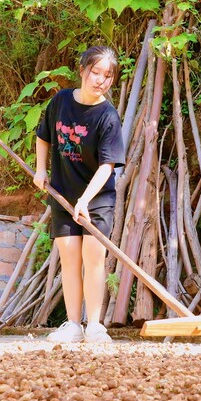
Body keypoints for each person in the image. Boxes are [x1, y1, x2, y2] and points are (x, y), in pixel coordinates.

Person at [33, 46, 125, 343]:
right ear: (83, 70)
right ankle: (73, 325)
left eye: (107, 76)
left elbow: (107, 166)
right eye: (95, 72)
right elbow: (43, 135)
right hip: (63, 193)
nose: (100, 80)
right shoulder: (61, 101)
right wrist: (40, 170)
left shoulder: (107, 116)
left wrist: (85, 200)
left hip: (97, 199)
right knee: (69, 257)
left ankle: (95, 325)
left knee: (93, 257)